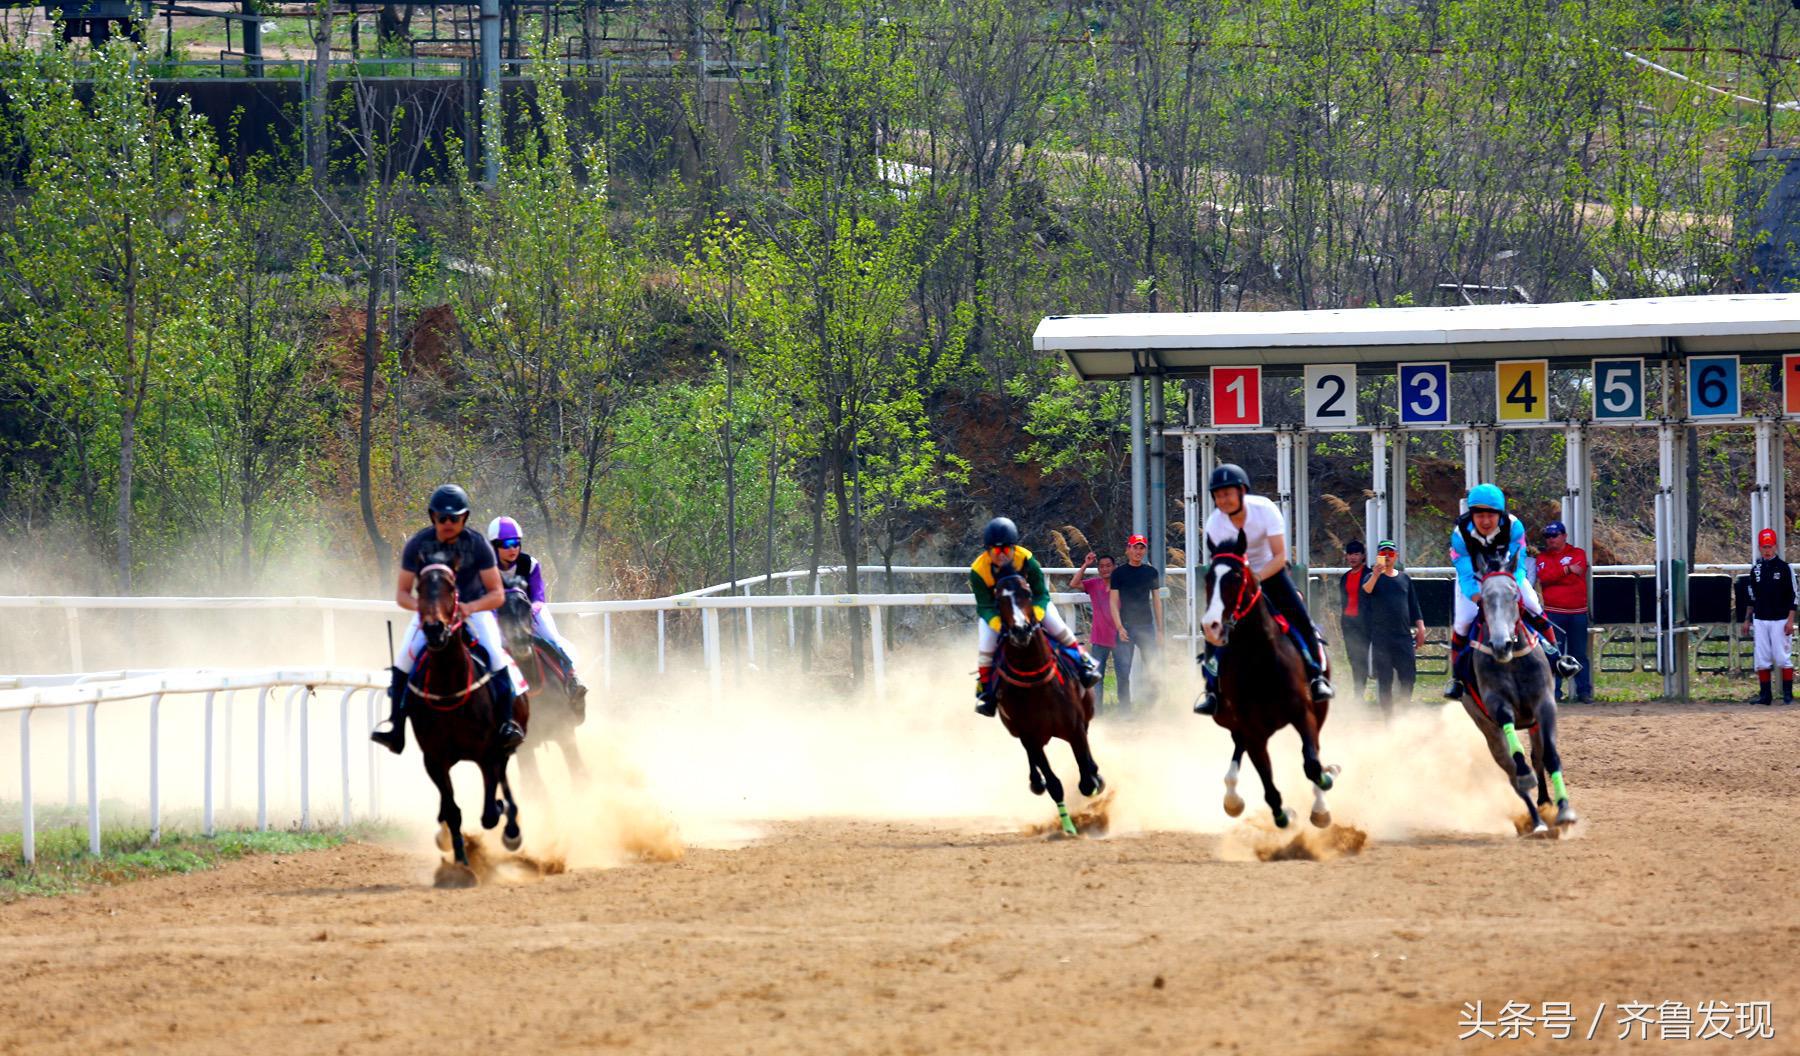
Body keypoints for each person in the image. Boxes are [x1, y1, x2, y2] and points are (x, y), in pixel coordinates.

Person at [371, 484, 526, 755]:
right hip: (431, 614)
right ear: (433, 517)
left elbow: (497, 594)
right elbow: (402, 594)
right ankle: (396, 729)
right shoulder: (418, 545)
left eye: (454, 518)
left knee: (496, 658)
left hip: (473, 611)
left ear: (464, 518)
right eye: (442, 517)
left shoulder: (478, 545)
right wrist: (426, 609)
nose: (448, 523)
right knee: (403, 662)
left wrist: (469, 607)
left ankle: (506, 726)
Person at [1196, 463, 1333, 715]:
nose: (1222, 500)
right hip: (1237, 578)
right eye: (1217, 495)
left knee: (1300, 618)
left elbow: (1280, 556)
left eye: (1227, 493)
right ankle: (1211, 691)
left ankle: (1316, 677)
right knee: (1212, 621)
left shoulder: (1265, 510)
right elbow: (1221, 562)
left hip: (1270, 572)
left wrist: (1256, 578)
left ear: (1242, 491)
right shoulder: (1215, 523)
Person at [1444, 483, 1580, 700]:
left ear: (1500, 513)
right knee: (1463, 621)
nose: (1486, 521)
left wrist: (1513, 589)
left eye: (1491, 515)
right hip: (1475, 579)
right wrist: (1477, 597)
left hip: (1507, 574)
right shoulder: (1460, 534)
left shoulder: (1514, 526)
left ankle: (1558, 659)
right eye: (1479, 515)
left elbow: (1519, 565)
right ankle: (1457, 679)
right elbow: (1465, 573)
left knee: (1533, 604)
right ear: (1472, 514)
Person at [971, 517, 1101, 716]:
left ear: (1014, 548)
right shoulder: (978, 570)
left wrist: (1036, 615)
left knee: (1060, 629)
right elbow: (985, 606)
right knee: (986, 648)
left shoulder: (1026, 559)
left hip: (1030, 605)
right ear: (988, 550)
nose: (1002, 555)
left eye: (1006, 550)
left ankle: (1084, 664)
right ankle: (985, 693)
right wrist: (999, 624)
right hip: (997, 612)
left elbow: (1041, 594)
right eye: (996, 551)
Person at [488, 516, 588, 704]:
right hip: (496, 615)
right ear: (494, 545)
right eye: (506, 544)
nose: (512, 548)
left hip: (529, 611)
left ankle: (572, 680)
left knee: (554, 638)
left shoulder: (530, 564)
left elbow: (538, 596)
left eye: (516, 543)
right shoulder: (485, 568)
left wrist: (529, 612)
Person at [1361, 540, 1426, 713]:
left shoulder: (1404, 578)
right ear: (1378, 557)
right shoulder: (1371, 577)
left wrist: (1421, 628)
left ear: (1396, 556)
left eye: (1390, 554)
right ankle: (1388, 716)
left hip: (1403, 636)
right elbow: (1366, 590)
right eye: (1383, 554)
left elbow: (1414, 605)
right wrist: (1375, 575)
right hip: (1381, 637)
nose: (1387, 557)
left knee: (1409, 676)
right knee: (1385, 679)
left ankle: (1404, 709)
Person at [1534, 521, 1593, 703]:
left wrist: (1558, 574)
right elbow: (1544, 577)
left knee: (1579, 653)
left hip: (1577, 612)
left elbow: (1579, 569)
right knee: (1554, 653)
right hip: (1554, 613)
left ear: (1564, 535)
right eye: (1548, 536)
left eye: (1555, 535)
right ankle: (1555, 693)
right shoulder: (1542, 558)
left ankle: (1584, 692)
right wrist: (1567, 570)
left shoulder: (1578, 553)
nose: (1551, 539)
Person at [1108, 533, 1164, 712]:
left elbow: (1156, 600)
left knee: (1153, 667)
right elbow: (1113, 602)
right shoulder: (1118, 573)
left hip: (1146, 626)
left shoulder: (1151, 572)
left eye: (1142, 548)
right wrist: (1119, 627)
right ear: (1128, 549)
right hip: (1125, 626)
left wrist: (1160, 630)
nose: (1138, 551)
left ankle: (1153, 707)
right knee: (1123, 670)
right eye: (1135, 547)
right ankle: (1125, 710)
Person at [1741, 528, 1795, 706]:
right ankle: (1765, 695)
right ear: (1759, 547)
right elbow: (1751, 597)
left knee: (1782, 657)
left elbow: (1793, 595)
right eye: (1764, 546)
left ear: (1775, 546)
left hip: (1780, 618)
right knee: (1762, 658)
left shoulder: (1785, 568)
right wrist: (1748, 619)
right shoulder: (1756, 569)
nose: (1767, 550)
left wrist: (1790, 619)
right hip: (1761, 618)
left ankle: (1788, 694)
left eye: (1770, 546)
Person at [1071, 551, 1118, 710]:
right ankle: (1098, 711)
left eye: (1108, 566)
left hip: (1119, 637)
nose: (1105, 569)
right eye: (1102, 566)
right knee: (1097, 677)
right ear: (1098, 569)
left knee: (1123, 676)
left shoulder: (1121, 584)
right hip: (1099, 638)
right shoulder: (1094, 584)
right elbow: (1074, 583)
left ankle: (1125, 710)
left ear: (1114, 567)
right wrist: (1086, 564)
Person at [1337, 540, 1373, 705]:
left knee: (1362, 658)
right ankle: (1358, 692)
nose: (1352, 557)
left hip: (1365, 624)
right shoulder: (1345, 577)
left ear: (1363, 556)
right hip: (1349, 623)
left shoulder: (1369, 575)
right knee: (1353, 658)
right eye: (1350, 554)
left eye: (1356, 554)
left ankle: (1359, 693)